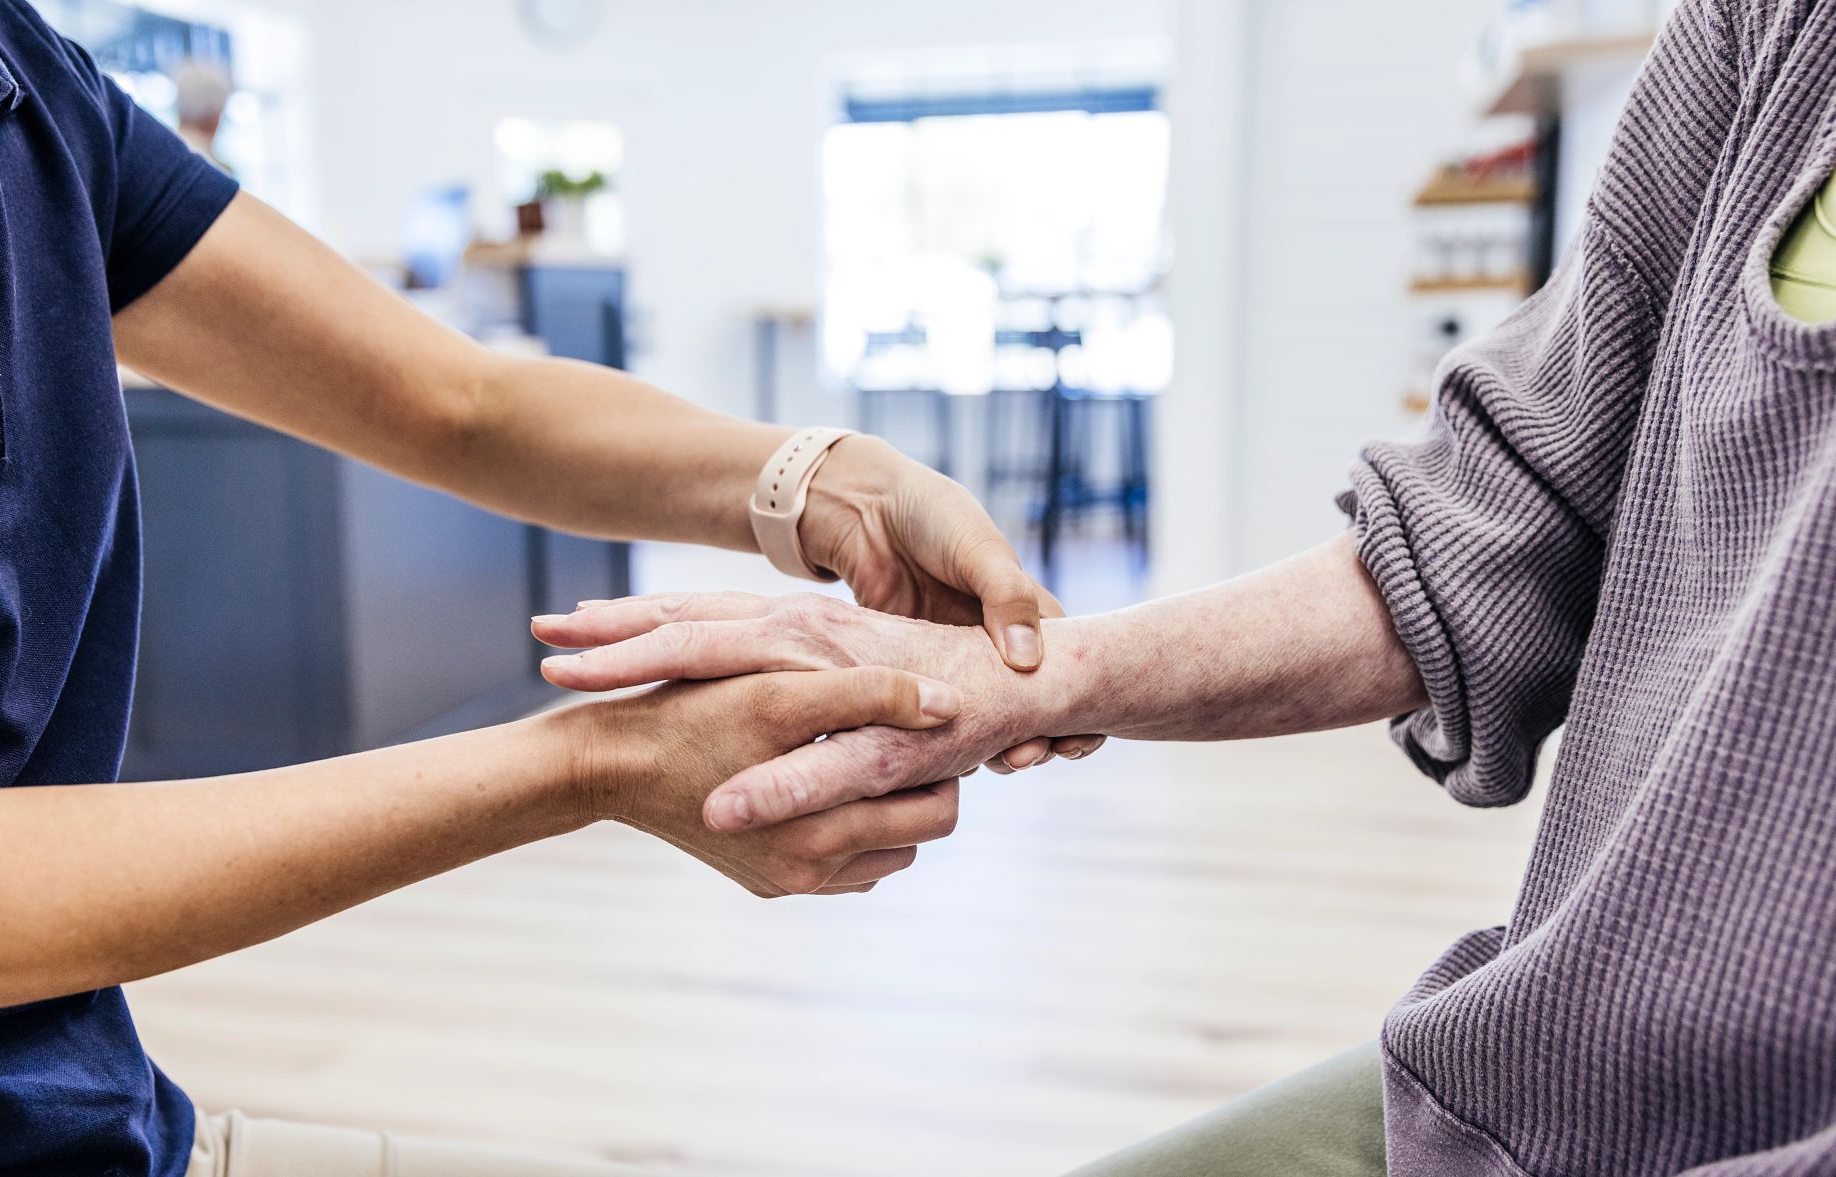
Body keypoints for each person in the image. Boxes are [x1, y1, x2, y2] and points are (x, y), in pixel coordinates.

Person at [0, 0, 1100, 1173]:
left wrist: (823, 477)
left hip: (99, 1124)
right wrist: (591, 761)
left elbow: (458, 400)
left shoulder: (9, 74)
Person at [535, 2, 1836, 1173]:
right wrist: (1011, 670)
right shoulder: (1769, 32)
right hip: (1546, 1078)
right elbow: (1492, 528)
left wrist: (585, 766)